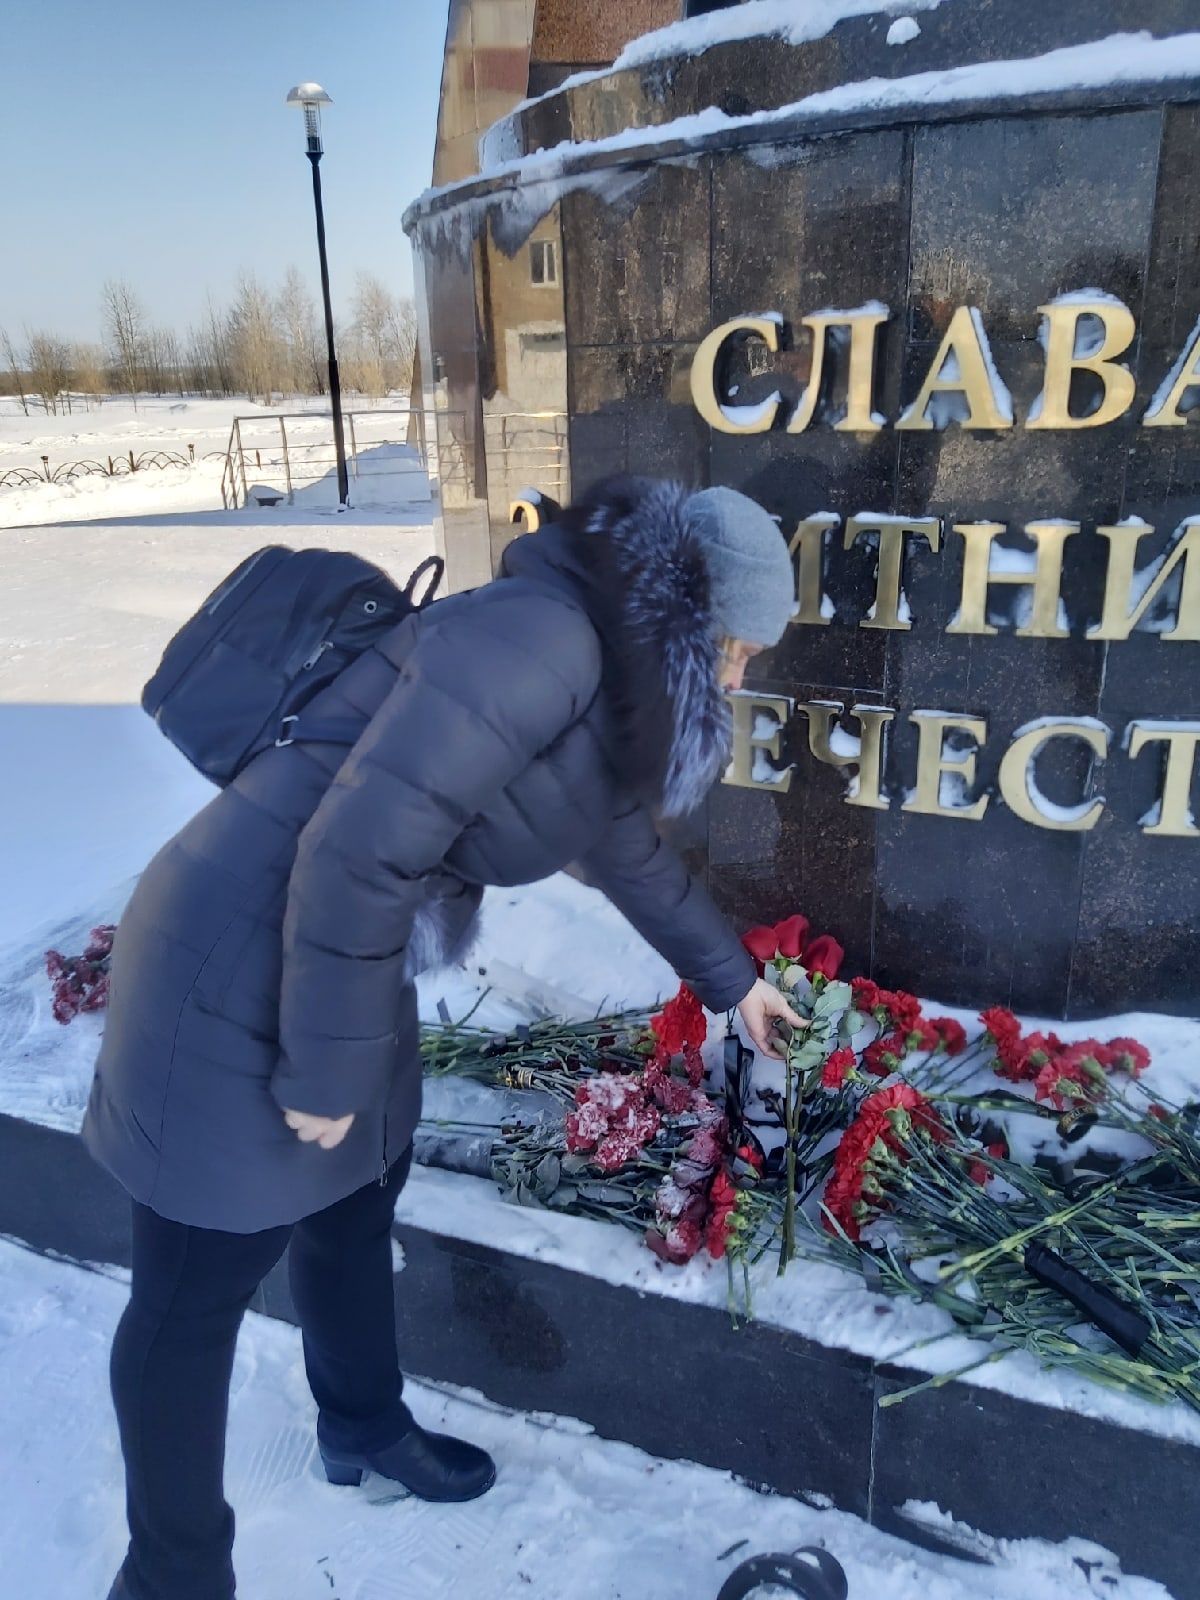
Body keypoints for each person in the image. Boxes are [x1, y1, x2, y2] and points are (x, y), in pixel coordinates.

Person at [84, 475, 803, 1600]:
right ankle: (171, 1574)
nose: (739, 675)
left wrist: (734, 982)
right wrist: (326, 1069)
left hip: (338, 958)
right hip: (232, 957)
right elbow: (356, 848)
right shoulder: (539, 642)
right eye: (737, 648)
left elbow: (621, 844)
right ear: (688, 612)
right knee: (191, 1294)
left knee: (352, 1204)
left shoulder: (601, 663)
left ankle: (362, 1427)